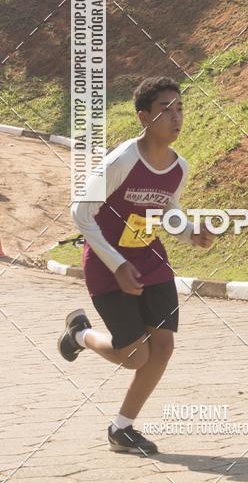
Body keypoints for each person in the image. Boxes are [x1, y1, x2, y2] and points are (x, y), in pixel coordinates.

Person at [58, 76, 217, 455]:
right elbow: (81, 212)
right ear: (144, 117)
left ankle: (122, 428)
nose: (175, 117)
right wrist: (115, 264)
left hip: (150, 260)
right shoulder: (123, 159)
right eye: (165, 109)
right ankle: (80, 334)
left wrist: (191, 232)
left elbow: (166, 210)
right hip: (106, 263)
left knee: (162, 346)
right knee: (135, 356)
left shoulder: (179, 167)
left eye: (179, 108)